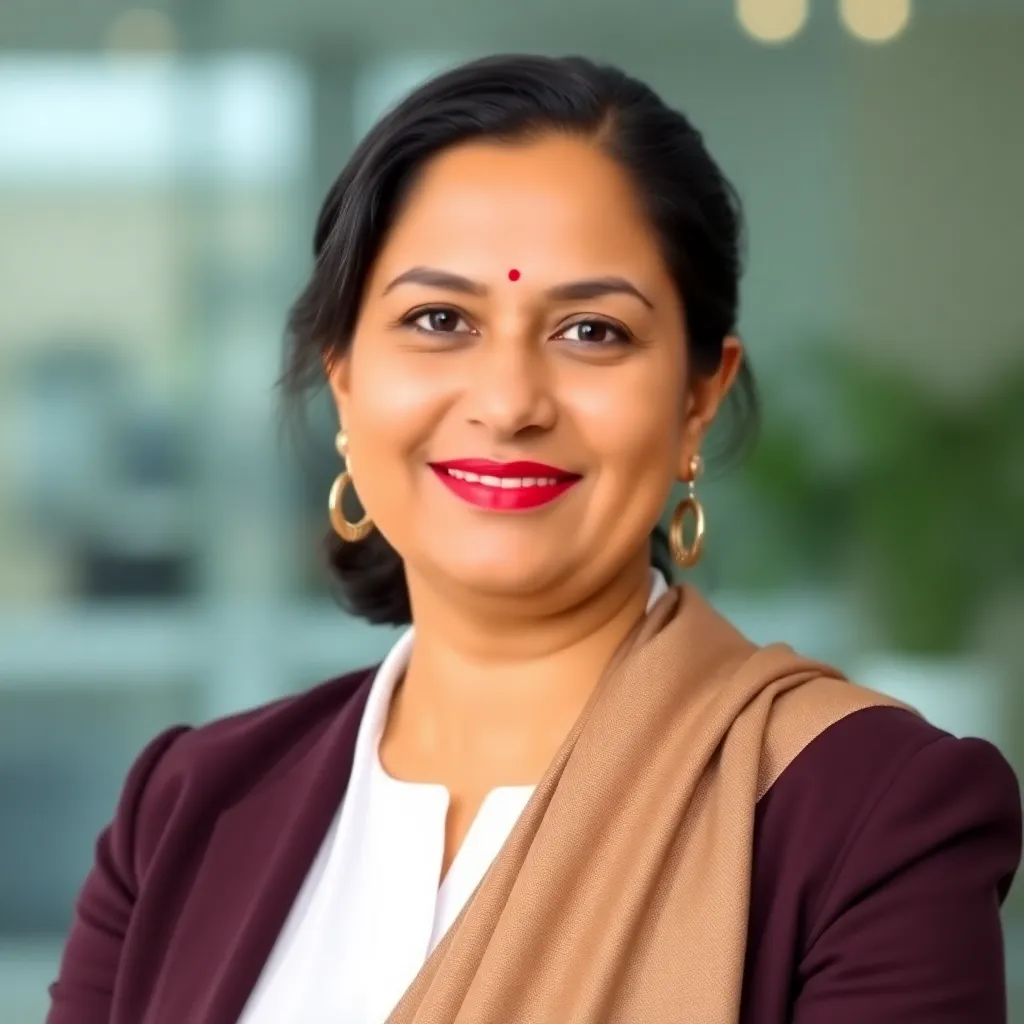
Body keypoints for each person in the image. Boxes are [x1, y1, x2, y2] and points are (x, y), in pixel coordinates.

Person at [48, 54, 1020, 1024]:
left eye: (591, 331)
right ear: (342, 377)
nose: (509, 402)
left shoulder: (867, 813)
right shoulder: (186, 808)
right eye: (439, 319)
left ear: (697, 397)